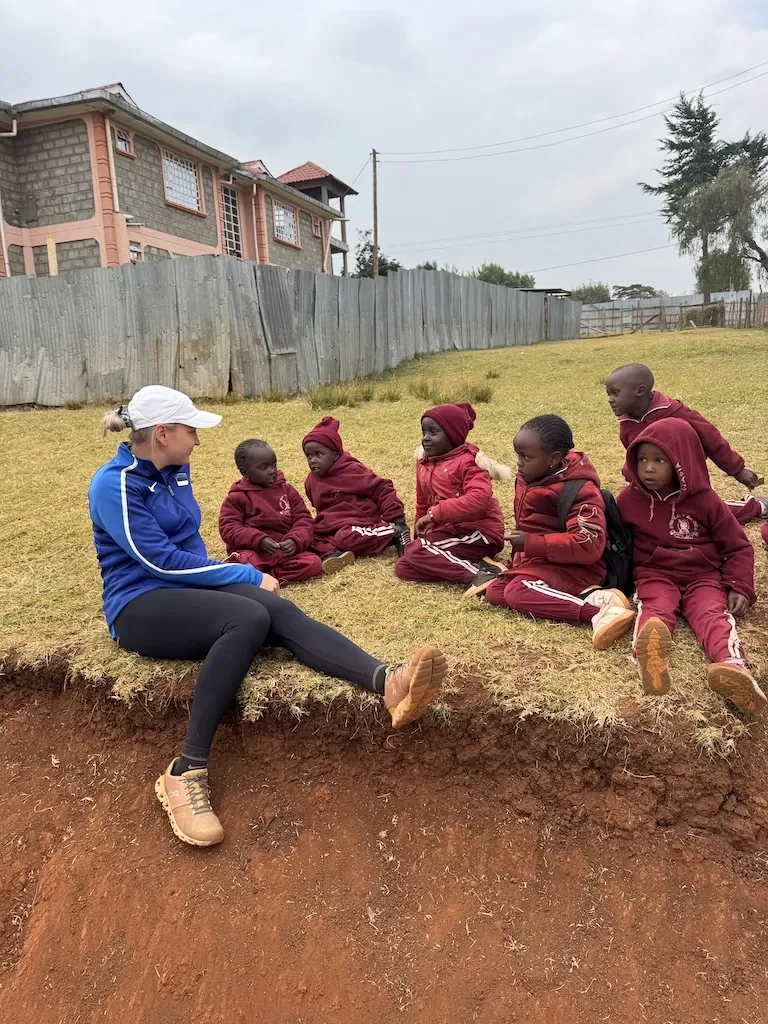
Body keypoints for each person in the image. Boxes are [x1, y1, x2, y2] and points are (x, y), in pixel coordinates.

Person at [88, 386, 448, 848]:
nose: (197, 439)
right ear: (162, 433)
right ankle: (185, 770)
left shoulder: (174, 469)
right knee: (246, 618)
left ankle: (388, 681)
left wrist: (236, 579)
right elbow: (156, 560)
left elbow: (189, 548)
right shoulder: (114, 483)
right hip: (139, 603)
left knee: (273, 607)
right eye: (191, 429)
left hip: (183, 585)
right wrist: (243, 573)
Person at [617, 418, 764, 713]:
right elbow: (616, 543)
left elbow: (737, 547)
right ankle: (652, 660)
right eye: (642, 459)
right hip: (654, 573)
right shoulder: (628, 500)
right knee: (654, 608)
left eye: (659, 460)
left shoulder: (707, 501)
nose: (648, 468)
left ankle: (734, 668)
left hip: (703, 576)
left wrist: (740, 586)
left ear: (681, 461)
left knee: (712, 615)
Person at [469, 414, 636, 649]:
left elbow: (589, 545)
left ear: (554, 458)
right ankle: (591, 596)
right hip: (543, 562)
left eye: (526, 457)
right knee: (497, 592)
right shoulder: (529, 478)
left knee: (517, 592)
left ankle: (598, 612)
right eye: (518, 455)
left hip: (578, 568)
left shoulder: (579, 489)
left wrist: (531, 543)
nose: (519, 463)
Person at [605, 363, 767, 525]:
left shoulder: (674, 411)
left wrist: (737, 470)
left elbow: (711, 438)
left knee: (702, 513)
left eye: (615, 394)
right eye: (609, 394)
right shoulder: (627, 424)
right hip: (655, 485)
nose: (610, 400)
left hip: (686, 480)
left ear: (640, 391)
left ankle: (757, 507)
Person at [394, 401, 509, 590]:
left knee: (415, 551)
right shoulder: (424, 462)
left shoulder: (470, 462)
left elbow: (479, 500)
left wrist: (435, 515)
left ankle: (478, 575)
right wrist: (419, 529)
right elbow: (423, 501)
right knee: (404, 566)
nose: (425, 438)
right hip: (449, 532)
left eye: (433, 432)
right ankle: (480, 565)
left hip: (478, 532)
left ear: (453, 435)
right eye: (424, 432)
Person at [303, 416, 410, 572]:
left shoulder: (352, 471)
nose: (313, 460)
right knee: (311, 538)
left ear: (335, 454)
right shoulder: (310, 481)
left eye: (319, 455)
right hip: (331, 524)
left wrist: (397, 518)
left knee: (345, 537)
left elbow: (382, 488)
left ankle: (394, 532)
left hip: (358, 521)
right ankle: (338, 554)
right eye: (309, 456)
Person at [218, 439, 322, 585]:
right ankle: (254, 574)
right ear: (245, 472)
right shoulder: (237, 497)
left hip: (284, 552)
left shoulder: (287, 491)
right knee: (246, 562)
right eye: (264, 467)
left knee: (313, 563)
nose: (272, 471)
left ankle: (267, 577)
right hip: (256, 552)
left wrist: (294, 540)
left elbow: (304, 520)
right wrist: (259, 540)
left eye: (273, 465)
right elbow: (229, 528)